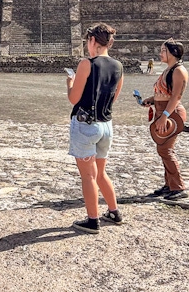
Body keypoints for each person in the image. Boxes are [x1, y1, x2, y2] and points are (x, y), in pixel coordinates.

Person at [66, 23, 124, 234]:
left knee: (89, 176)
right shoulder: (118, 66)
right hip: (106, 125)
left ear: (92, 41)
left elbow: (74, 98)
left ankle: (93, 220)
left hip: (86, 126)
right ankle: (114, 211)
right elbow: (114, 98)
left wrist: (69, 83)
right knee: (101, 173)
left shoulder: (86, 64)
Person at [141, 38, 189, 200]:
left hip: (171, 113)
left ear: (173, 53)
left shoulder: (178, 71)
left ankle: (178, 186)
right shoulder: (168, 70)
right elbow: (164, 93)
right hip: (162, 111)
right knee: (162, 149)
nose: (160, 53)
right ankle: (169, 184)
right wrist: (151, 100)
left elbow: (176, 96)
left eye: (163, 50)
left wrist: (165, 116)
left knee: (165, 150)